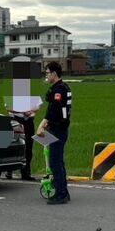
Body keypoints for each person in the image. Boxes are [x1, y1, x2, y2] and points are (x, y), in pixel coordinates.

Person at [36, 61, 72, 205]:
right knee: (58, 161)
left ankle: (61, 194)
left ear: (54, 73)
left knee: (55, 162)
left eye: (47, 73)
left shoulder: (59, 90)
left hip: (58, 129)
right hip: (60, 128)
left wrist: (42, 125)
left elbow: (53, 110)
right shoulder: (63, 87)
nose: (46, 75)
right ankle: (64, 191)